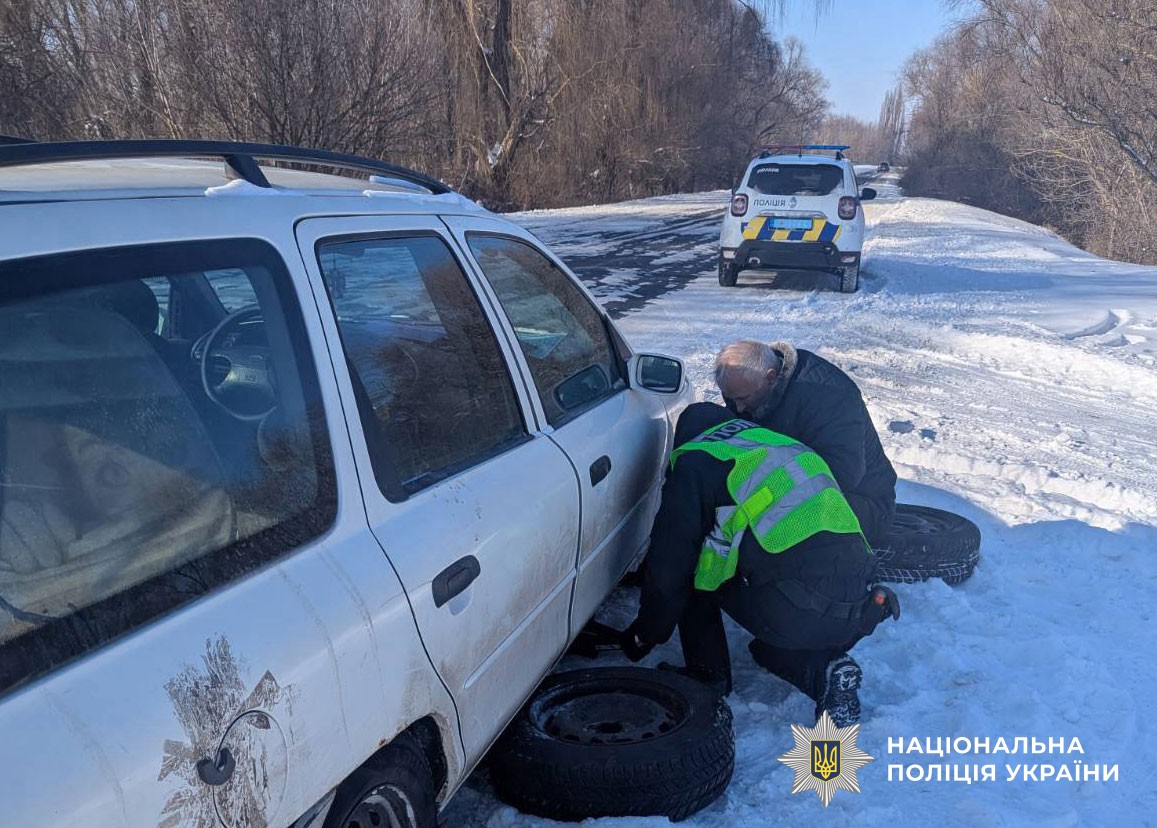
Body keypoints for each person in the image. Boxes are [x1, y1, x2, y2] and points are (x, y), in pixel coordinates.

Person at [620, 402, 899, 727]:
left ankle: (708, 675)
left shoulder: (695, 461)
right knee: (767, 647)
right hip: (855, 602)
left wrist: (647, 633)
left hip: (799, 604)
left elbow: (670, 566)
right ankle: (826, 669)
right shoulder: (780, 446)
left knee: (695, 573)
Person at [714, 339, 897, 547]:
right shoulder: (747, 388)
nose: (737, 408)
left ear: (770, 377)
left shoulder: (831, 397)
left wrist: (765, 492)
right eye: (730, 398)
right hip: (798, 487)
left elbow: (841, 474)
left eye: (742, 399)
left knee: (760, 532)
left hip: (861, 503)